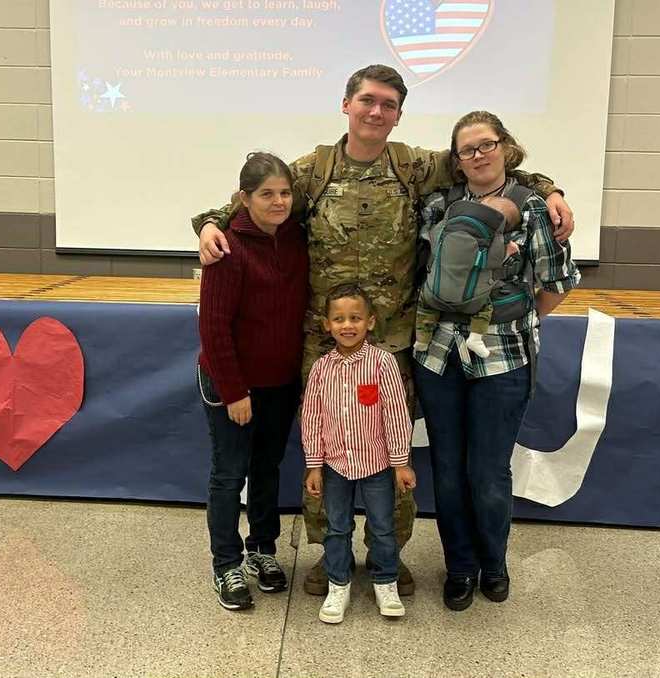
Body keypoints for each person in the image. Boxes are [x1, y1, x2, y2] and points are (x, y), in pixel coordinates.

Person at [192, 64, 576, 597]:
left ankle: (385, 556)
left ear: (398, 115)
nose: (377, 111)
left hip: (391, 341)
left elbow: (486, 165)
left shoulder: (415, 167)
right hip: (321, 344)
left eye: (389, 104)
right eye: (368, 100)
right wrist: (209, 223)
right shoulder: (312, 172)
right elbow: (251, 200)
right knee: (325, 449)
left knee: (389, 447)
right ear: (346, 105)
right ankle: (332, 559)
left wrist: (548, 189)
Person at [412, 111, 581, 612]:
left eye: (486, 144)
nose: (478, 155)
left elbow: (556, 282)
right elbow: (420, 271)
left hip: (505, 358)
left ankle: (494, 563)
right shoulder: (437, 206)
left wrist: (519, 319)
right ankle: (459, 566)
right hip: (438, 353)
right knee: (447, 467)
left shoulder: (533, 209)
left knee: (488, 470)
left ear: (505, 146)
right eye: (467, 150)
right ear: (456, 161)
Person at [197, 152, 308, 611]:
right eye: (267, 194)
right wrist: (234, 391)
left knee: (267, 469)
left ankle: (262, 549)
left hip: (280, 383)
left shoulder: (297, 238)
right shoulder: (227, 247)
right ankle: (226, 564)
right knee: (230, 474)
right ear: (245, 198)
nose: (278, 201)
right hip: (233, 384)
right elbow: (214, 327)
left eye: (284, 193)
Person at [300, 283, 416, 623]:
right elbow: (312, 418)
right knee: (337, 527)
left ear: (370, 321)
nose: (347, 325)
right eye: (338, 319)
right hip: (335, 466)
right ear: (326, 324)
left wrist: (400, 463)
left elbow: (396, 413)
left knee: (382, 526)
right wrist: (314, 466)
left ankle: (385, 581)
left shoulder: (383, 364)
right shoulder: (322, 369)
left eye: (355, 318)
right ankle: (338, 583)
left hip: (378, 465)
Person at [413, 195, 522, 358]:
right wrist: (508, 252)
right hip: (473, 300)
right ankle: (476, 338)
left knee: (425, 305)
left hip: (434, 292)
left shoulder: (450, 224)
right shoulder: (497, 239)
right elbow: (494, 262)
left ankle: (422, 338)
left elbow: (432, 241)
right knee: (485, 309)